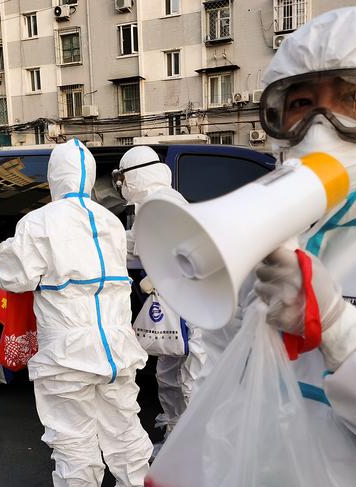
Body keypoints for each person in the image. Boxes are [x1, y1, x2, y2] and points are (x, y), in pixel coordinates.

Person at [200, 6, 356, 486]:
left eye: (351, 98)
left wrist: (339, 329)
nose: (319, 126)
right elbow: (230, 391)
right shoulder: (270, 236)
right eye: (300, 102)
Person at [0, 139, 152, 487]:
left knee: (74, 445)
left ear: (55, 177)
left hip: (67, 357)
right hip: (117, 350)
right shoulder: (109, 221)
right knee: (126, 434)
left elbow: (15, 279)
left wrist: (7, 252)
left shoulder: (39, 223)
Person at [114, 146, 207, 455]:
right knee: (168, 373)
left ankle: (194, 454)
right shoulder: (151, 203)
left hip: (192, 307)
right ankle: (175, 436)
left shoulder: (162, 203)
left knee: (192, 376)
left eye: (123, 177)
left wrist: (162, 275)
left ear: (136, 176)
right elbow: (137, 245)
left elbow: (191, 252)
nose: (121, 184)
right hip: (175, 306)